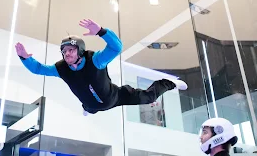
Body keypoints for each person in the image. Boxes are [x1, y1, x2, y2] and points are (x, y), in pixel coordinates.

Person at [15, 19, 187, 116]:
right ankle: (89, 109)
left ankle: (169, 83)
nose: (67, 54)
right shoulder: (61, 69)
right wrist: (24, 57)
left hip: (116, 97)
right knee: (90, 105)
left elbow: (116, 48)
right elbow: (38, 69)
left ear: (80, 50)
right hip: (92, 104)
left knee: (148, 98)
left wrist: (101, 32)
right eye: (64, 51)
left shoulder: (95, 60)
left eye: (71, 50)